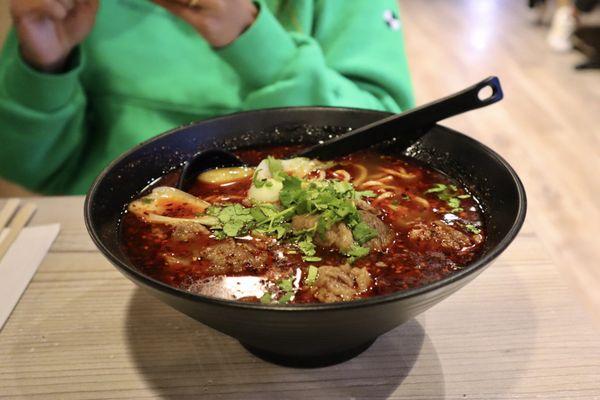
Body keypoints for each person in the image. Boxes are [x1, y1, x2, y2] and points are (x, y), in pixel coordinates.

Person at [0, 0, 414, 195]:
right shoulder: (70, 9)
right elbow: (29, 169)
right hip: (98, 236)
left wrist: (249, 34)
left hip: (304, 226)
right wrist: (44, 67)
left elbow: (390, 143)